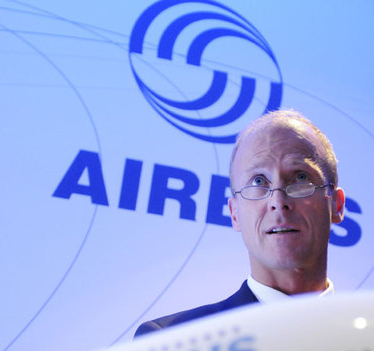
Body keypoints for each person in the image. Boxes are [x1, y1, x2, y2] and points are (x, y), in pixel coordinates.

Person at [134, 109, 346, 337]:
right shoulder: (171, 342)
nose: (278, 201)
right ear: (235, 213)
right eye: (258, 181)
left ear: (336, 204)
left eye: (301, 178)